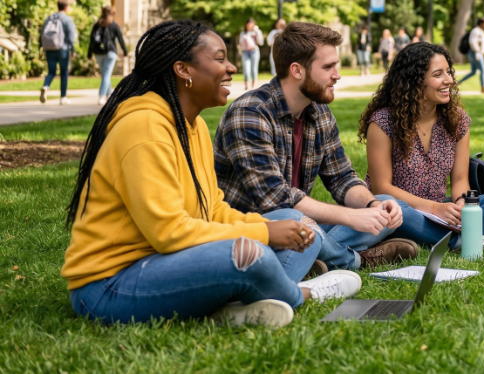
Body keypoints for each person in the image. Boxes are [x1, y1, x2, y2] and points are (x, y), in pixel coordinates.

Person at [62, 20, 360, 327]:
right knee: (249, 254)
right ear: (184, 70)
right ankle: (301, 294)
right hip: (110, 286)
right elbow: (169, 233)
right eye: (219, 59)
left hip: (169, 263)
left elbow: (212, 209)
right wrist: (265, 232)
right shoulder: (145, 129)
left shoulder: (194, 126)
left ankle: (233, 304)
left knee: (298, 223)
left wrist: (268, 225)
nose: (231, 67)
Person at [215, 22, 417, 271]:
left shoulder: (319, 112)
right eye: (328, 67)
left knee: (385, 204)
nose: (338, 75)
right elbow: (275, 201)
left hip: (302, 225)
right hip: (254, 230)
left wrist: (371, 206)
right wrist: (351, 216)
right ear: (297, 70)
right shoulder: (250, 114)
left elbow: (342, 178)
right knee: (295, 219)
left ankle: (314, 255)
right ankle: (355, 259)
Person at [361, 42, 484, 250]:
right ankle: (462, 240)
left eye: (448, 72)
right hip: (402, 209)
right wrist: (435, 208)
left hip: (440, 209)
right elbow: (381, 188)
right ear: (414, 81)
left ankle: (446, 237)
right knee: (388, 207)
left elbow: (461, 179)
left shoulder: (457, 120)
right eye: (438, 74)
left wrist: (462, 204)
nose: (449, 80)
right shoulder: (383, 122)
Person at [87, 5, 127, 106]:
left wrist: (89, 54)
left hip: (98, 53)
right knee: (106, 75)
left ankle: (109, 96)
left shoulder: (97, 24)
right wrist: (125, 51)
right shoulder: (113, 25)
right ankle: (102, 96)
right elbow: (120, 39)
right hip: (110, 53)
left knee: (105, 75)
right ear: (112, 13)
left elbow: (92, 40)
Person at [39, 0, 77, 105]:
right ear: (66, 7)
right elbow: (71, 37)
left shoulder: (49, 18)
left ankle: (46, 86)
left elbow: (42, 34)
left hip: (50, 48)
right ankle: (63, 97)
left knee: (51, 72)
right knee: (64, 72)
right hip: (63, 49)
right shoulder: (67, 19)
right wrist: (72, 50)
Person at [458, 18, 484, 94]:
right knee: (483, 70)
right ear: (481, 23)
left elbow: (483, 46)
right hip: (475, 53)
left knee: (473, 72)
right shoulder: (476, 31)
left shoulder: (481, 32)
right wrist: (477, 52)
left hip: (476, 53)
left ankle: (459, 82)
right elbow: (473, 43)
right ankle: (483, 88)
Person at [238, 19, 264, 91]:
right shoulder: (243, 33)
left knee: (254, 69)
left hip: (254, 51)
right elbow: (240, 43)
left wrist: (257, 31)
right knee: (246, 69)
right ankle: (246, 85)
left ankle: (254, 85)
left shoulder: (256, 32)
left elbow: (261, 42)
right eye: (248, 24)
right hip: (245, 52)